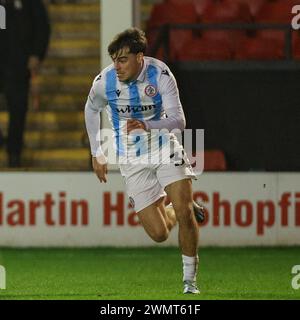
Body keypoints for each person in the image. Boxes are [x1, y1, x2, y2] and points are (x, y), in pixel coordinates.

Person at [84, 28, 205, 294]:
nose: (117, 66)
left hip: (164, 147)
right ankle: (177, 207)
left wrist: (148, 125)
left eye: (123, 59)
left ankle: (189, 282)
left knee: (185, 212)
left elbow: (179, 120)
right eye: (114, 59)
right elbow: (91, 109)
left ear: (140, 57)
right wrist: (97, 152)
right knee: (159, 233)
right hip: (131, 158)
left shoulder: (160, 74)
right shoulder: (105, 81)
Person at [0, 0, 50, 167]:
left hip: (19, 66)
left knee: (18, 110)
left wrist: (36, 54)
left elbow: (42, 27)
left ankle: (14, 153)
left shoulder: (32, 4)